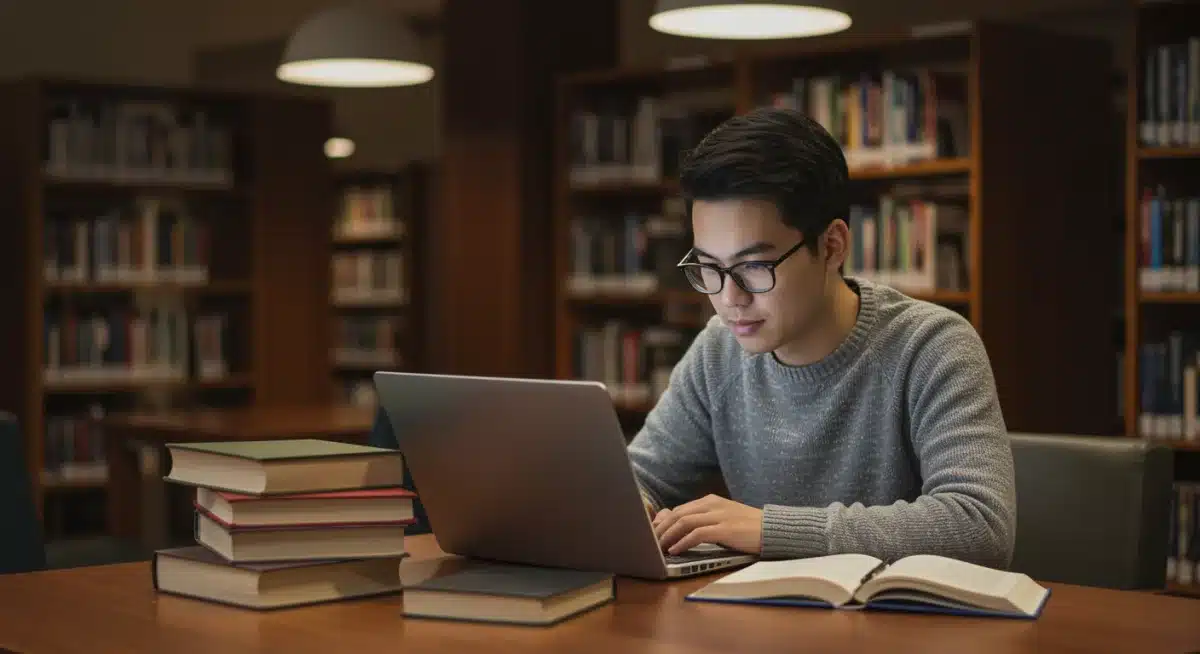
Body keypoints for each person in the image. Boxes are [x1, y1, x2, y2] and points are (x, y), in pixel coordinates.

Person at [627, 106, 1016, 569]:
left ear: (832, 246)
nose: (729, 298)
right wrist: (629, 507)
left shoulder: (931, 346)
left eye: (754, 266)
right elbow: (637, 478)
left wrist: (771, 530)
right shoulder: (718, 352)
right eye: (709, 267)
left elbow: (980, 526)